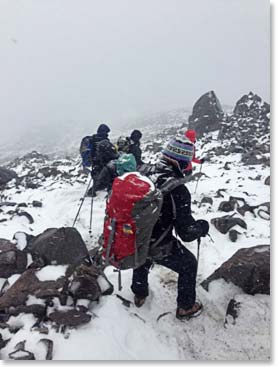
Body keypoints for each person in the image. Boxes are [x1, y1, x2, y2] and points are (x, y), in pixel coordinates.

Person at [131, 135, 209, 320]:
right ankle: (186, 307)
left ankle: (139, 291)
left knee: (144, 251)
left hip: (136, 237)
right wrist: (202, 227)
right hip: (158, 244)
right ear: (183, 162)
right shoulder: (178, 190)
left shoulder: (144, 174)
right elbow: (186, 233)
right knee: (188, 264)